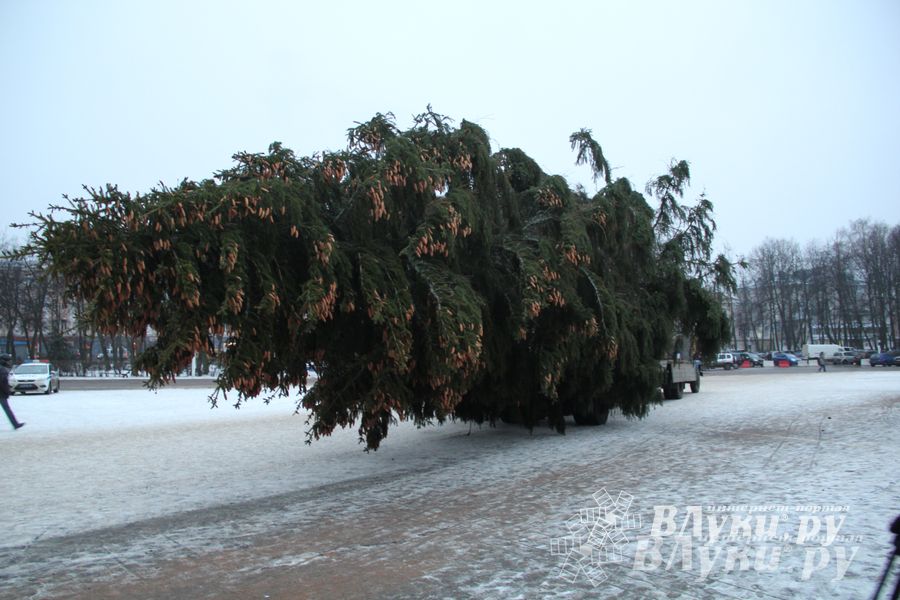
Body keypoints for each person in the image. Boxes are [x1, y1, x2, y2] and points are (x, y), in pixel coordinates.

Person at [0, 353, 25, 430]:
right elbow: (3, 383)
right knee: (7, 409)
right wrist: (7, 392)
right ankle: (15, 424)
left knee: (7, 409)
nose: (9, 363)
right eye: (8, 361)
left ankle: (15, 424)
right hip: (1, 393)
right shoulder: (2, 370)